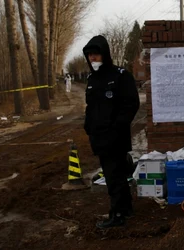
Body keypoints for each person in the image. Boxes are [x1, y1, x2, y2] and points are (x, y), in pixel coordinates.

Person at [83, 35, 140, 229]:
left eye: (96, 54)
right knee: (114, 175)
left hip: (115, 137)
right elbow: (91, 107)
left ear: (104, 54)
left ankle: (117, 214)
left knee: (114, 177)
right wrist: (88, 126)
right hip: (99, 138)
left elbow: (131, 104)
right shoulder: (92, 79)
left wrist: (117, 127)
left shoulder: (120, 76)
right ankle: (126, 209)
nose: (93, 59)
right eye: (90, 55)